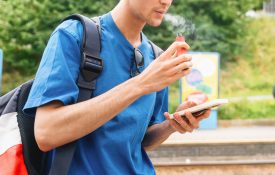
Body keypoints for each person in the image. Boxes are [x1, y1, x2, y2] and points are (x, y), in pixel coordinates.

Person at [24, 0, 211, 174]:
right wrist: (141, 84)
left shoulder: (156, 58)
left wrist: (171, 125)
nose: (166, 2)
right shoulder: (73, 35)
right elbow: (46, 133)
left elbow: (141, 140)